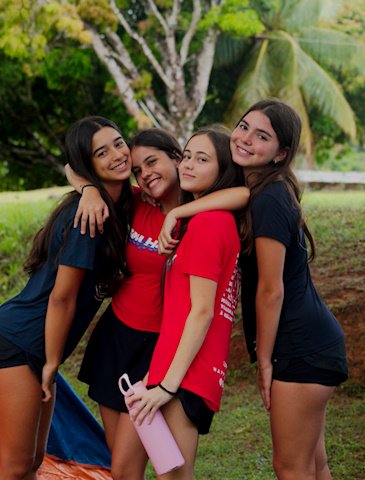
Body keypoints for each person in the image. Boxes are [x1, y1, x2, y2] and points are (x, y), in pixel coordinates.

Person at [70, 128, 248, 479]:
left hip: (159, 347)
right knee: (119, 466)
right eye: (138, 170)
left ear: (176, 159)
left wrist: (178, 213)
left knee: (130, 465)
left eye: (152, 162)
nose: (145, 174)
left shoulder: (202, 218)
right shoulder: (137, 202)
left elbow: (245, 193)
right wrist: (89, 190)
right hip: (116, 338)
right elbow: (72, 167)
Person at [0, 116, 133, 480]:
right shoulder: (87, 217)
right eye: (101, 153)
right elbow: (62, 298)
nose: (117, 155)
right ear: (88, 164)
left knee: (33, 460)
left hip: (35, 344)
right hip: (18, 343)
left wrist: (88, 187)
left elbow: (69, 169)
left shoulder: (113, 206)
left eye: (119, 143)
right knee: (12, 465)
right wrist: (52, 363)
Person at [230, 99, 348, 479]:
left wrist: (264, 361)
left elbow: (271, 289)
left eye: (261, 136)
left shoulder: (268, 199)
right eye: (243, 127)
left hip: (300, 348)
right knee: (313, 464)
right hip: (312, 342)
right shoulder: (263, 190)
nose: (246, 138)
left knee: (290, 466)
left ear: (281, 153)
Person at [127, 127, 244, 479]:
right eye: (188, 156)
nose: (189, 164)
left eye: (202, 159)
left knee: (175, 475)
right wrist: (154, 375)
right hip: (175, 367)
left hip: (186, 374)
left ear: (222, 170)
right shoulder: (200, 220)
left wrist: (167, 384)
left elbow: (203, 311)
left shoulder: (210, 223)